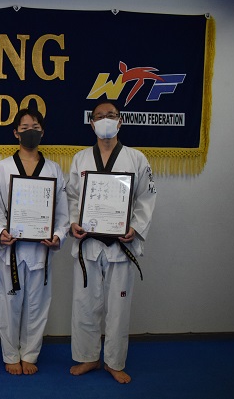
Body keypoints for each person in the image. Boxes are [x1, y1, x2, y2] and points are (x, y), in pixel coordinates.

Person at [67, 101, 157, 384]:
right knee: (85, 304)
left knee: (118, 308)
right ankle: (88, 357)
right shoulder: (80, 159)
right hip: (89, 244)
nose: (105, 120)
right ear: (92, 123)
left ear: (120, 121)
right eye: (99, 116)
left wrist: (135, 227)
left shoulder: (137, 159)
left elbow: (146, 197)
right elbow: (71, 197)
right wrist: (73, 222)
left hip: (121, 245)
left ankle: (114, 362)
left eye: (111, 115)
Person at [0, 108, 69, 375]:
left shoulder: (54, 169)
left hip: (40, 250)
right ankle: (10, 354)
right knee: (9, 305)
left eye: (35, 127)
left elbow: (62, 212)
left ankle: (30, 353)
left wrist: (58, 235)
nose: (30, 132)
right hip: (12, 249)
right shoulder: (2, 167)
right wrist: (0, 231)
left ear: (42, 132)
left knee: (37, 305)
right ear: (15, 133)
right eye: (24, 128)